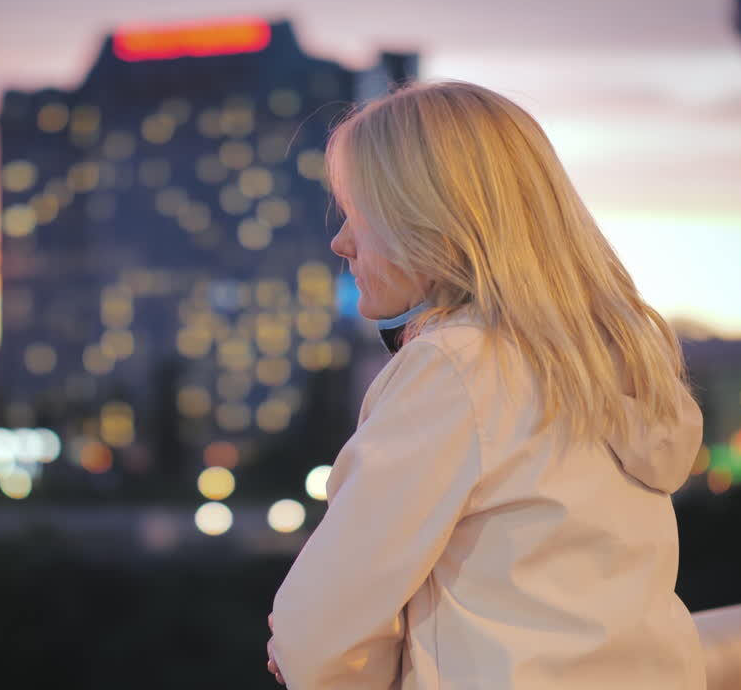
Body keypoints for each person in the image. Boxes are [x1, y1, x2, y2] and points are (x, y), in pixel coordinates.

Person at [265, 80, 706, 689]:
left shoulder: (455, 368)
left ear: (430, 223)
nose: (341, 242)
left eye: (358, 214)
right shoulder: (613, 365)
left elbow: (319, 631)